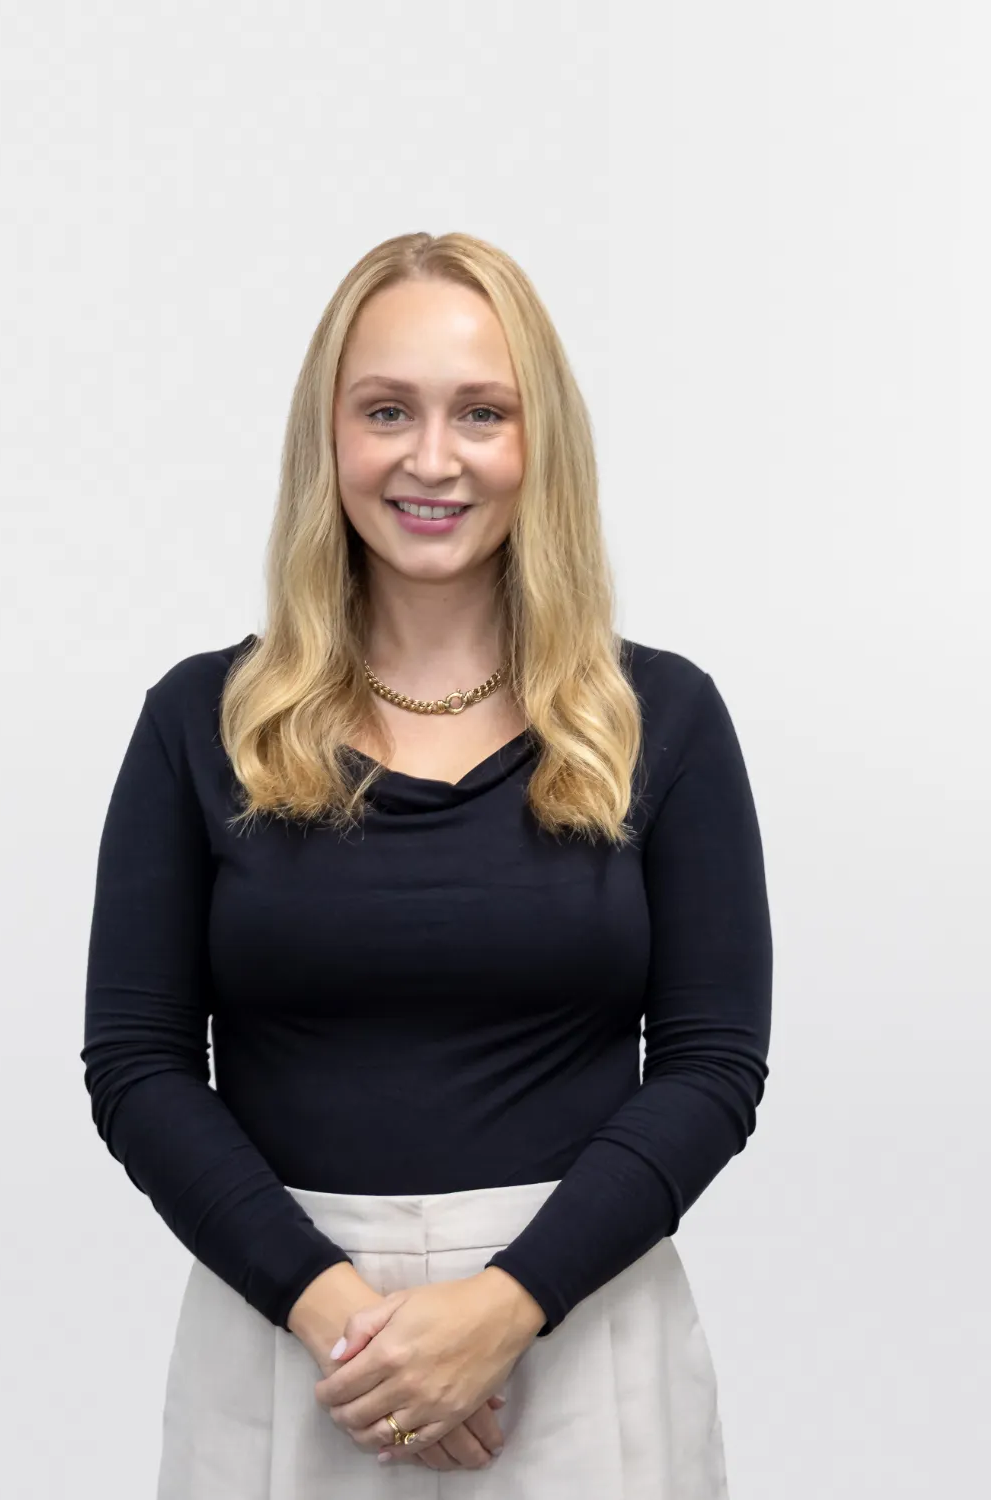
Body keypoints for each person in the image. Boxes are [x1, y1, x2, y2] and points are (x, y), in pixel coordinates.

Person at [80, 230, 773, 1497]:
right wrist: (340, 1317)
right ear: (328, 437)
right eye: (387, 410)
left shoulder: (659, 718)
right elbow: (137, 1065)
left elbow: (713, 1067)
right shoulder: (200, 721)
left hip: (578, 1342)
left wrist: (506, 1308)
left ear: (540, 441)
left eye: (482, 413)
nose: (433, 458)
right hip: (290, 1349)